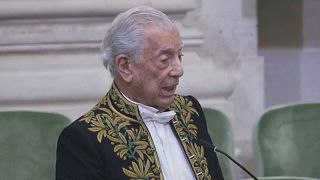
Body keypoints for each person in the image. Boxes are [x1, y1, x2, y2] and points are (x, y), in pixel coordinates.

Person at [56, 6, 224, 180]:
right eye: (165, 60)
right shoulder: (84, 139)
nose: (178, 70)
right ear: (125, 67)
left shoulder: (189, 110)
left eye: (179, 56)